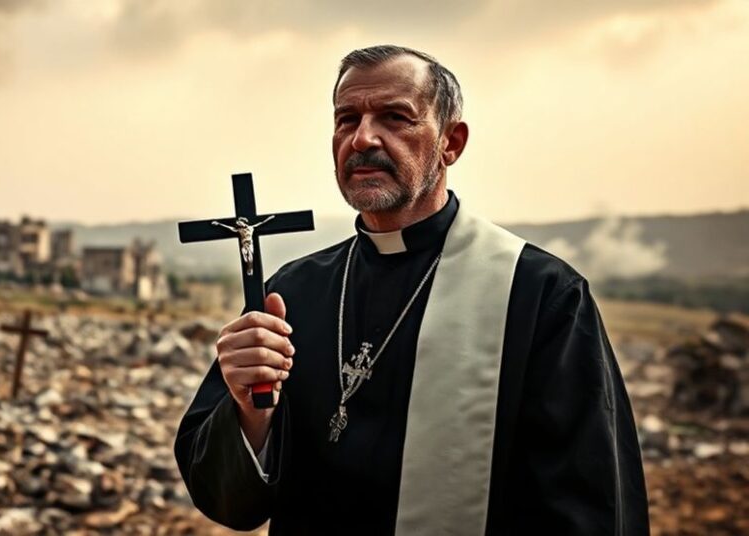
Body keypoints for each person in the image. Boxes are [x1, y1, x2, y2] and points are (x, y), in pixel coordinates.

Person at [174, 45, 649, 535]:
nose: (361, 139)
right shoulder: (293, 291)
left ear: (451, 142)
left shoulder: (538, 295)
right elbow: (230, 505)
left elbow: (589, 508)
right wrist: (250, 411)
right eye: (346, 119)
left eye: (395, 117)